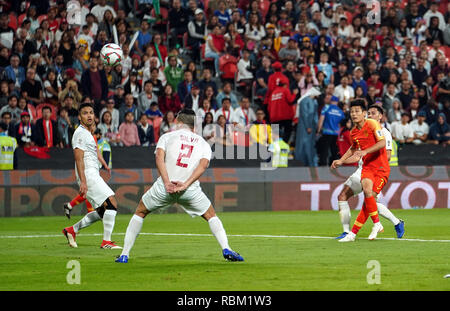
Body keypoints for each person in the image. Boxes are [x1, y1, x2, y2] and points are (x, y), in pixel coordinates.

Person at [115, 109, 244, 263]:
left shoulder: (167, 137)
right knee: (211, 215)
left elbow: (159, 159)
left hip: (164, 187)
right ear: (194, 125)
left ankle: (124, 254)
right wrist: (185, 185)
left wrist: (167, 182)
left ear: (178, 121)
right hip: (189, 189)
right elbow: (202, 167)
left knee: (140, 212)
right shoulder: (203, 143)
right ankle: (226, 248)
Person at [333, 104, 404, 240]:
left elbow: (387, 155)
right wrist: (342, 160)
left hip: (377, 168)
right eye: (369, 113)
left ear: (380, 116)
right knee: (343, 196)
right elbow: (354, 150)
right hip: (363, 168)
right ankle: (347, 231)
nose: (370, 116)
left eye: (373, 113)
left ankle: (389, 223)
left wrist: (366, 153)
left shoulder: (384, 132)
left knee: (369, 200)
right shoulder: (356, 131)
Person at [62, 103, 121, 249]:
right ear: (79, 117)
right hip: (88, 174)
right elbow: (78, 158)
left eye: (91, 112)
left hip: (92, 173)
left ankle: (72, 230)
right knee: (112, 203)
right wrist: (83, 181)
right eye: (85, 113)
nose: (89, 115)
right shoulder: (80, 133)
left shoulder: (88, 134)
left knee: (102, 211)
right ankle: (106, 241)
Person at [316, 96, 345, 166]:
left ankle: (323, 163)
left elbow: (321, 119)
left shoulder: (326, 108)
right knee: (334, 150)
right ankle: (333, 164)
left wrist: (318, 130)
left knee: (324, 149)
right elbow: (342, 124)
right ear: (337, 102)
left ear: (331, 101)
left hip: (326, 132)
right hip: (336, 133)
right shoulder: (340, 111)